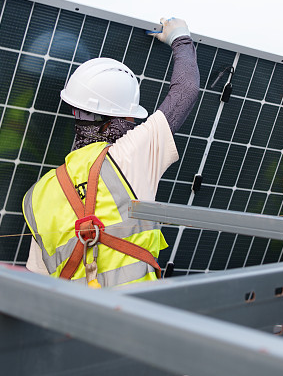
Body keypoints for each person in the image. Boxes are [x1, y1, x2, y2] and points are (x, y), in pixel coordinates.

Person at [22, 18, 199, 288]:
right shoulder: (130, 154)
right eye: (130, 117)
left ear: (75, 110)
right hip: (134, 310)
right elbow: (186, 90)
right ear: (118, 119)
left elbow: (35, 279)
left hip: (70, 313)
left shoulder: (38, 194)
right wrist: (180, 38)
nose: (133, 123)